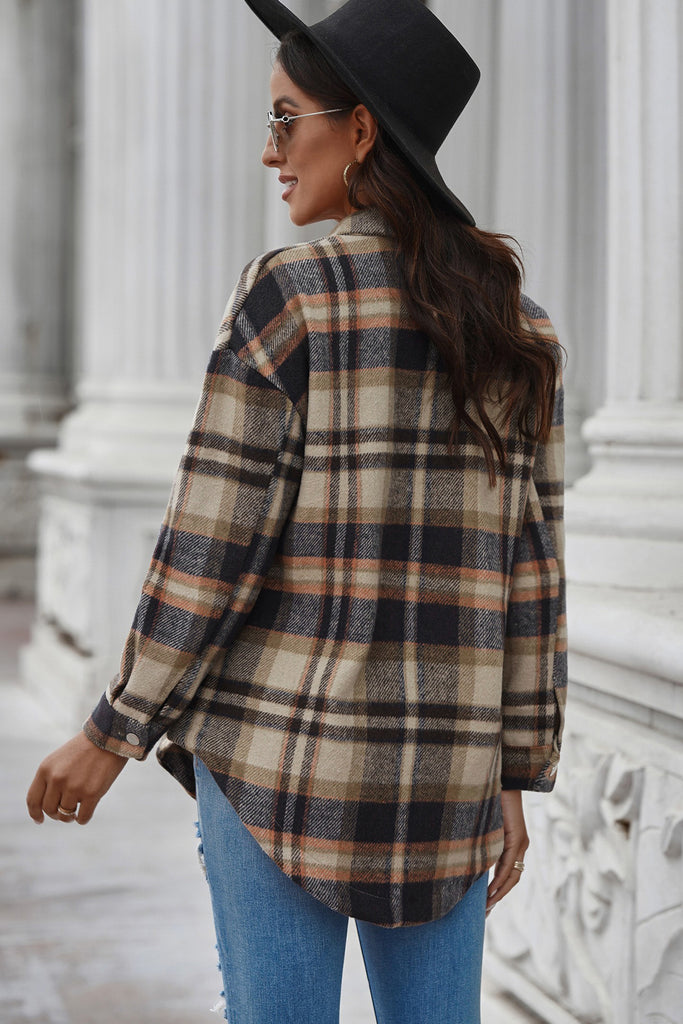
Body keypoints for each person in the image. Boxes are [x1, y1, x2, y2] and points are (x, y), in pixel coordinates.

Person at [26, 1, 567, 1021]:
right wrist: (511, 770)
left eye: (285, 119)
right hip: (444, 776)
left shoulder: (292, 296)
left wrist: (112, 730)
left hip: (278, 759)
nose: (269, 151)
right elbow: (531, 576)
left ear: (358, 130)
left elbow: (209, 546)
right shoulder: (515, 327)